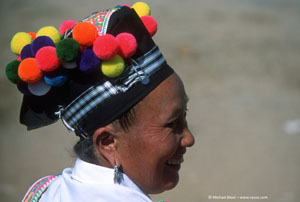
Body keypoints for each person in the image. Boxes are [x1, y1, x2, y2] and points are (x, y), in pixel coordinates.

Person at [6, 2, 194, 202]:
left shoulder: (48, 191)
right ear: (108, 142)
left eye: (184, 116)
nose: (189, 138)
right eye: (172, 124)